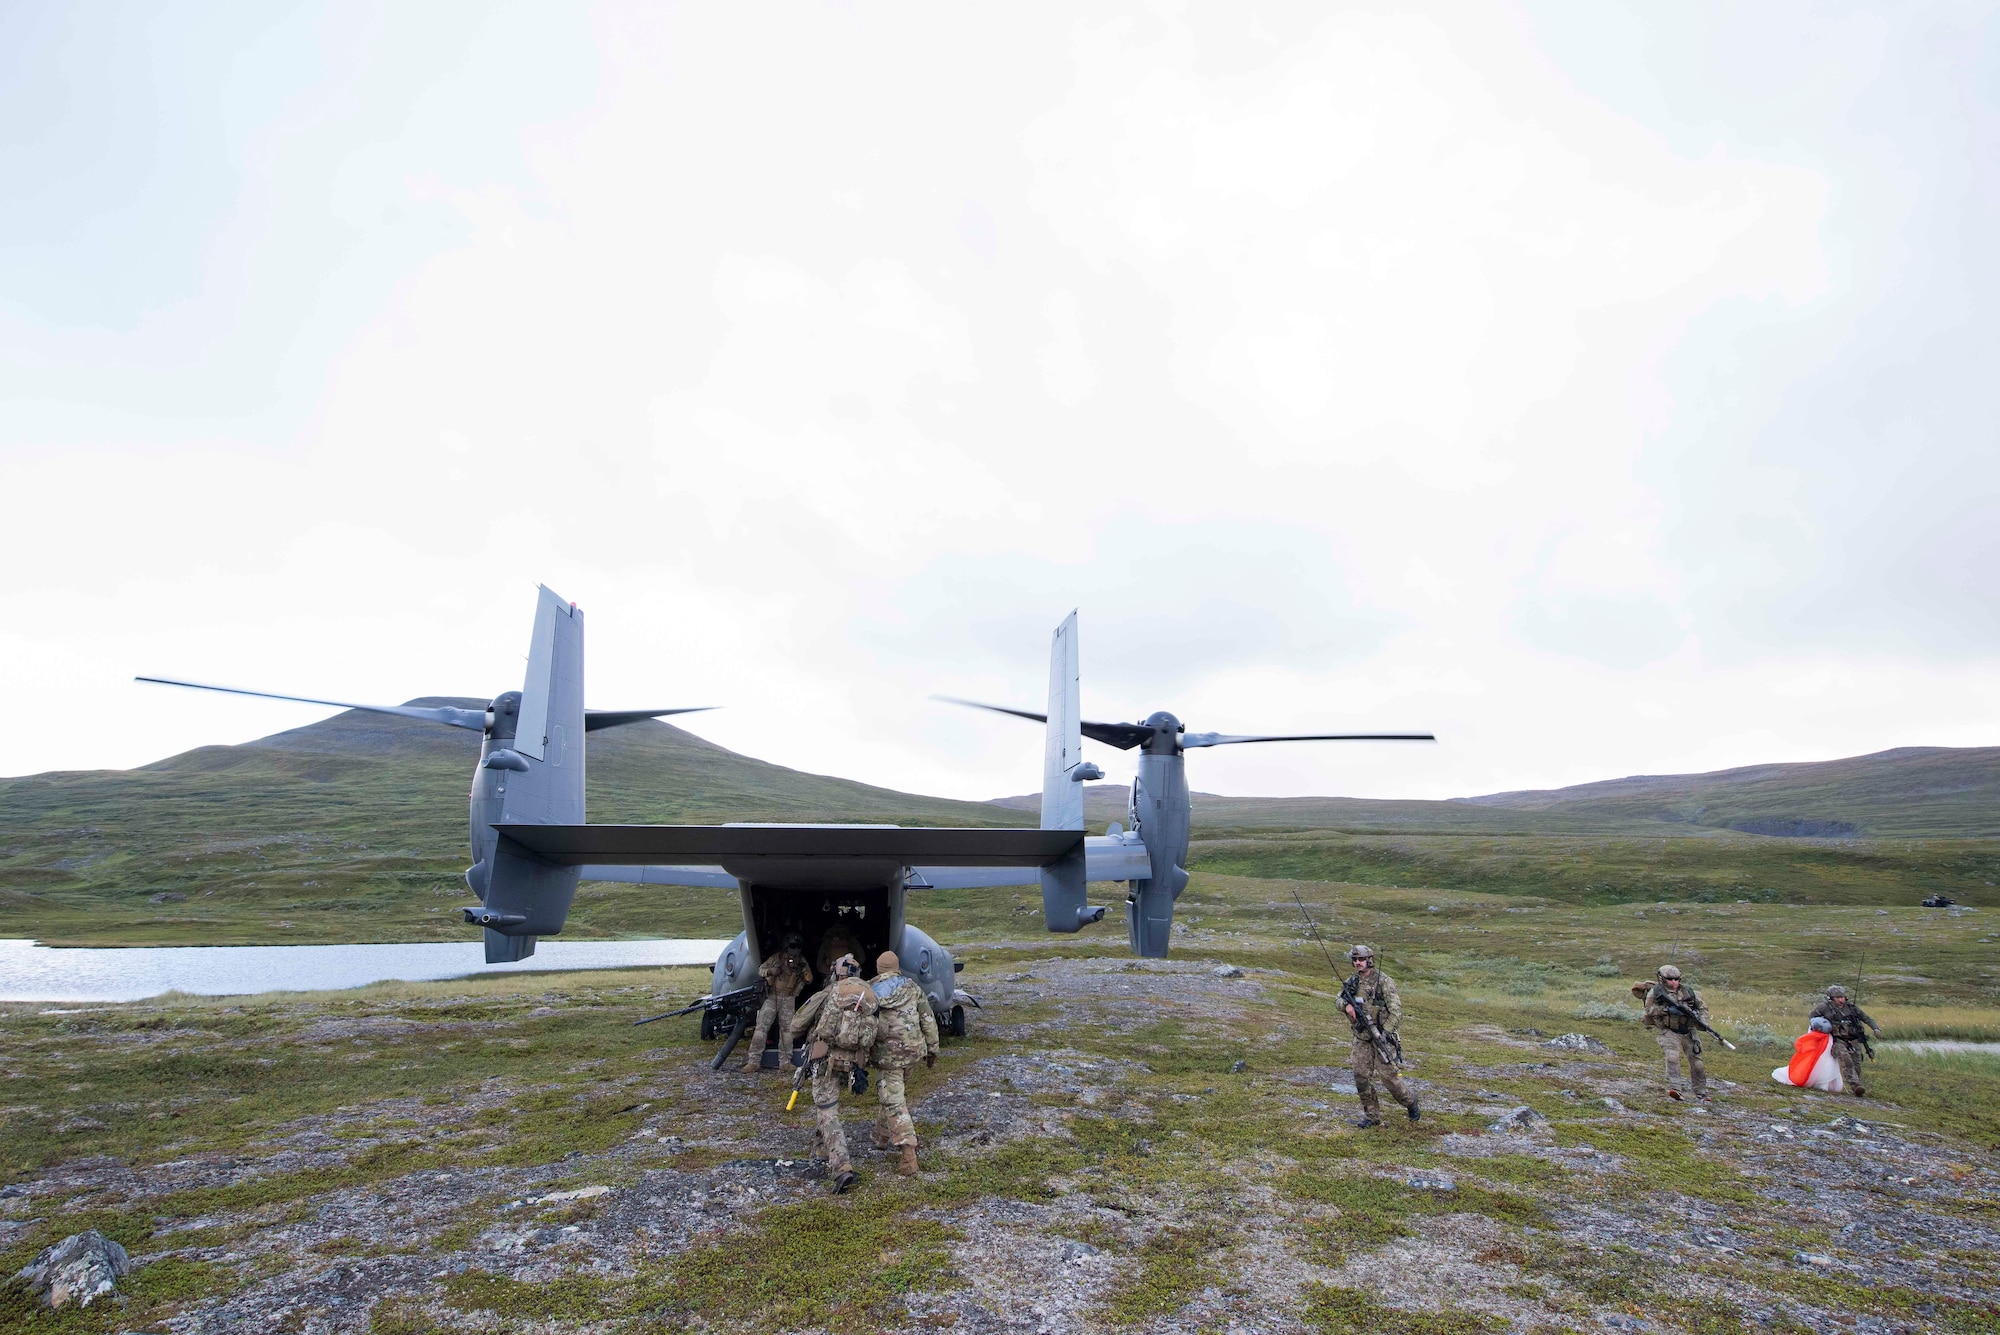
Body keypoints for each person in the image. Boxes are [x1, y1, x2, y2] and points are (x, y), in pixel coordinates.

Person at [784, 953, 879, 1193]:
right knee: (825, 1106)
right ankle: (819, 1149)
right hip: (855, 1063)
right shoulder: (869, 995)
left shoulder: (827, 994)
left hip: (825, 1060)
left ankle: (841, 1167)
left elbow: (796, 1026)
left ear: (837, 973)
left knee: (828, 1111)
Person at [868, 950, 940, 1176]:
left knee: (894, 1101)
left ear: (879, 969)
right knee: (892, 1095)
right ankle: (880, 1136)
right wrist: (933, 1049)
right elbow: (928, 1020)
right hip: (912, 1053)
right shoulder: (913, 988)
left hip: (888, 1056)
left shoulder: (870, 991)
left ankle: (909, 1155)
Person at [1341, 944, 1419, 1127]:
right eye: (1354, 960)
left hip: (1382, 1036)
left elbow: (1396, 1011)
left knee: (1390, 1079)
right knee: (1361, 1076)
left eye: (1361, 959)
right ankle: (1372, 1117)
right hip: (1361, 1037)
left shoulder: (1384, 981)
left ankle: (1411, 1102)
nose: (1358, 963)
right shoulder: (1352, 981)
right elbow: (1338, 998)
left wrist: (1385, 1032)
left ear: (1369, 960)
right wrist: (1346, 1006)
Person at [741, 932, 814, 1072]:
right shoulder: (777, 958)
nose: (795, 950)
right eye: (793, 946)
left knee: (787, 1031)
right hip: (772, 997)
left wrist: (802, 972)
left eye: (797, 946)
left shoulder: (801, 961)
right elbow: (761, 970)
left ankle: (785, 1061)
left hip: (788, 998)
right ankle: (754, 1061)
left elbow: (809, 979)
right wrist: (771, 971)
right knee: (761, 1028)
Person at [1642, 965, 1710, 1100]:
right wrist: (1667, 1010)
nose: (1674, 982)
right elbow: (1648, 1010)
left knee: (1698, 1064)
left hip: (1689, 1031)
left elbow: (1703, 1008)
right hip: (1669, 1030)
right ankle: (1675, 1089)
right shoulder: (1656, 992)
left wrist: (1703, 1022)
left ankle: (1701, 1092)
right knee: (1672, 1057)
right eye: (1670, 979)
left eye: (1676, 979)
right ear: (1662, 979)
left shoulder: (1689, 992)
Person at [1808, 984, 1883, 1098]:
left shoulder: (1852, 1008)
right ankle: (1856, 1086)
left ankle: (1857, 1085)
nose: (1841, 1000)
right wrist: (1821, 1026)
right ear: (1831, 998)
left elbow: (1866, 1018)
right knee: (1846, 1060)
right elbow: (1812, 1018)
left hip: (1853, 1040)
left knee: (1857, 1064)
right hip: (1838, 1040)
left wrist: (1876, 1028)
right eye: (1837, 997)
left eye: (1842, 997)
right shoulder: (1823, 1007)